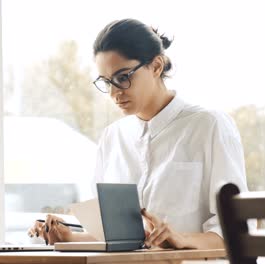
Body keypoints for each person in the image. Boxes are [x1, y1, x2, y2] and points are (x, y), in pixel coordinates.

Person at [28, 18, 252, 249]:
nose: (114, 93)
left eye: (123, 77)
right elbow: (113, 235)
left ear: (156, 66)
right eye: (107, 82)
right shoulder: (112, 138)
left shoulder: (208, 126)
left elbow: (237, 232)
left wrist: (182, 239)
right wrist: (68, 237)